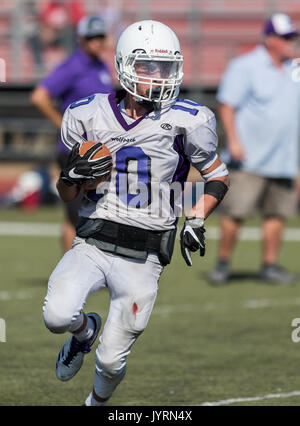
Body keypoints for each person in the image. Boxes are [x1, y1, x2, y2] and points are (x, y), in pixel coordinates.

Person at [42, 20, 229, 406]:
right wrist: (70, 176)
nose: (159, 77)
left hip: (144, 253)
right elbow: (66, 194)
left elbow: (217, 176)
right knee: (57, 315)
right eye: (149, 67)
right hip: (93, 239)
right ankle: (83, 332)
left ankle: (95, 404)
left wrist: (196, 219)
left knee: (111, 362)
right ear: (125, 65)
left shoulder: (187, 119)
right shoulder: (87, 113)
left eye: (165, 67)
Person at [210, 13, 300, 285]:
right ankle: (223, 263)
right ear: (269, 39)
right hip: (250, 158)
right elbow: (227, 105)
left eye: (292, 38)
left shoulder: (295, 69)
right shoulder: (246, 66)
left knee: (277, 214)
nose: (290, 43)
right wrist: (234, 142)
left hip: (284, 158)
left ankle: (269, 265)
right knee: (236, 212)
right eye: (285, 38)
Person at [31, 15, 113, 252]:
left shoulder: (101, 66)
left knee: (97, 213)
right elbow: (40, 96)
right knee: (75, 215)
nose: (96, 42)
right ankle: (70, 267)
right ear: (80, 39)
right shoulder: (72, 67)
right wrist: (63, 125)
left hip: (97, 150)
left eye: (100, 37)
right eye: (91, 37)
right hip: (74, 152)